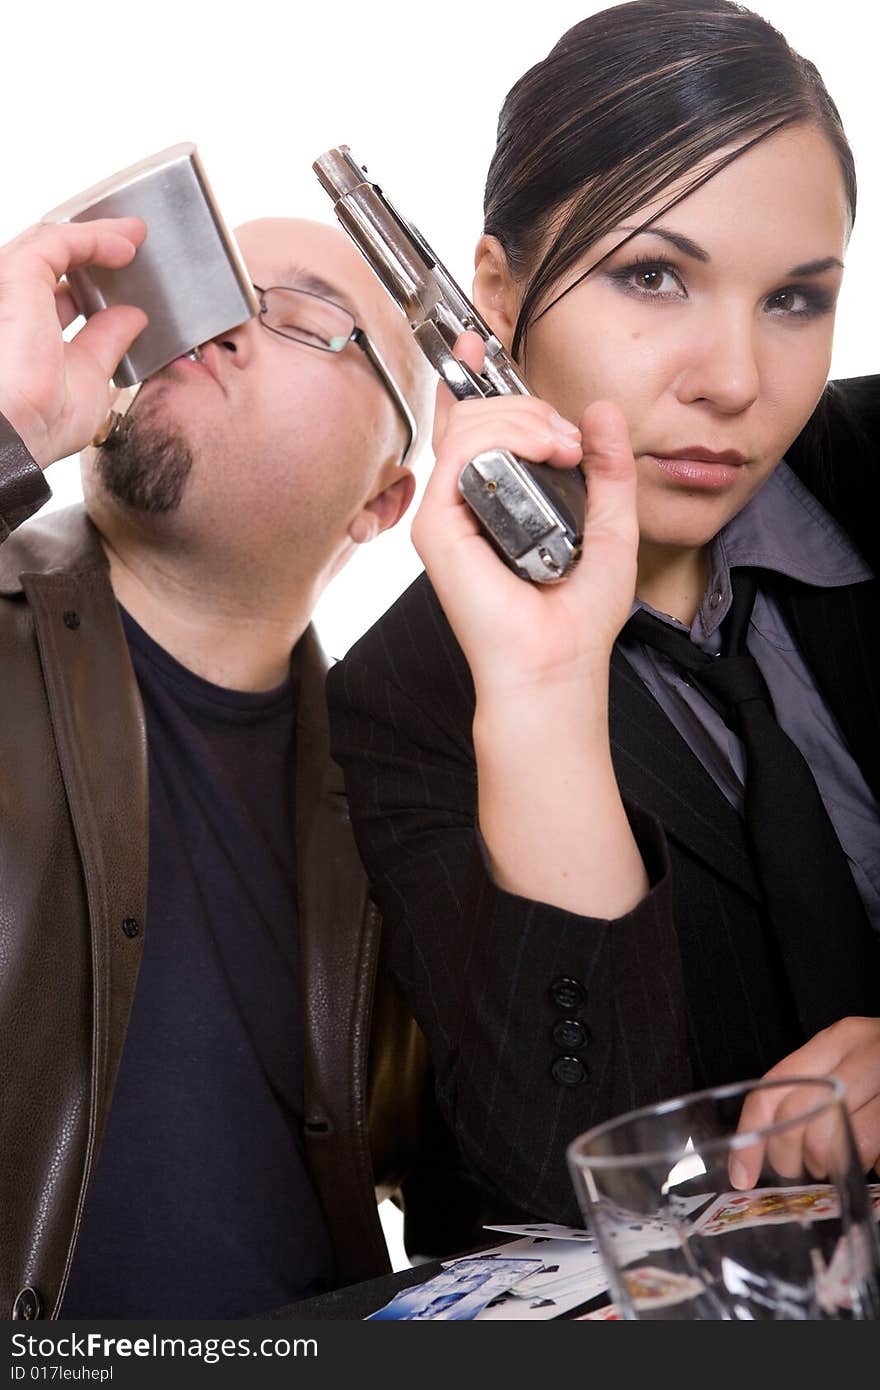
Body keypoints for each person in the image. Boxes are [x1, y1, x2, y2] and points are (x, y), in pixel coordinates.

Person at [326, 0, 880, 1228]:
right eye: (652, 277)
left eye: (797, 298)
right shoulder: (400, 691)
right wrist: (542, 702)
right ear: (493, 297)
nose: (734, 379)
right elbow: (577, 1185)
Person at [0, 209, 448, 1320]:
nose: (218, 323)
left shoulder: (410, 791)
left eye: (301, 314)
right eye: (200, 280)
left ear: (382, 500)